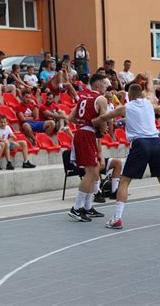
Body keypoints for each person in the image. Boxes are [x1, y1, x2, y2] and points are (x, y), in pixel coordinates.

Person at [94, 77, 160, 229]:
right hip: (155, 142)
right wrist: (147, 77)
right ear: (141, 94)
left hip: (140, 144)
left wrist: (92, 123)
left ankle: (117, 218)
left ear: (130, 96)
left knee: (125, 181)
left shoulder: (125, 107)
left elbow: (104, 117)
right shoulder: (149, 102)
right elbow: (151, 89)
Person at [67, 74, 108, 222]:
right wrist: (102, 130)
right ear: (97, 85)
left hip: (81, 132)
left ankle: (88, 207)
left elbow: (70, 118)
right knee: (91, 172)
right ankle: (76, 208)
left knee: (94, 169)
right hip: (87, 134)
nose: (106, 86)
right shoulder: (101, 99)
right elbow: (103, 119)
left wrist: (83, 121)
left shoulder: (83, 98)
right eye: (104, 83)